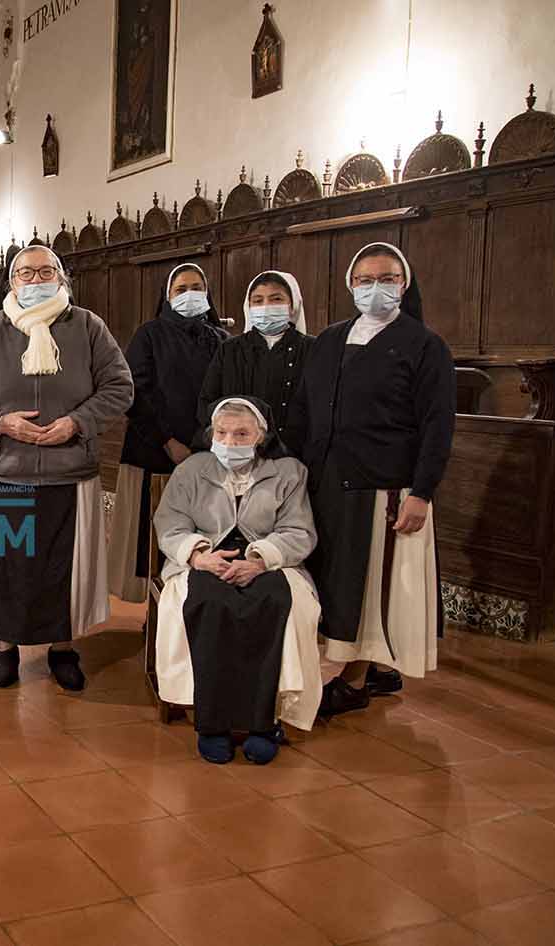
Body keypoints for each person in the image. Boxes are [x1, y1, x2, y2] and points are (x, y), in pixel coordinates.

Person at [0, 245, 133, 690]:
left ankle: (62, 648)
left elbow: (119, 385)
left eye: (46, 271)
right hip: (7, 471)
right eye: (26, 273)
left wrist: (77, 422)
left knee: (61, 570)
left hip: (70, 473)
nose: (36, 280)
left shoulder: (87, 326)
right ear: (11, 282)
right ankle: (5, 647)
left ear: (62, 279)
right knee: (9, 566)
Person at [290, 241, 454, 715]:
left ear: (403, 284)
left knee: (369, 593)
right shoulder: (330, 339)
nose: (374, 288)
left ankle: (355, 680)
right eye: (364, 279)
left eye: (386, 278)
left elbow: (438, 425)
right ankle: (330, 669)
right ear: (350, 285)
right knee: (333, 584)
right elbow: (304, 411)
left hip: (384, 488)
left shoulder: (424, 346)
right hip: (325, 484)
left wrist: (422, 492)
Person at [153, 397, 322, 764]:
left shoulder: (289, 472)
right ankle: (213, 724)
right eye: (222, 432)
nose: (229, 442)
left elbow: (298, 530)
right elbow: (169, 524)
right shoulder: (191, 469)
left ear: (260, 436)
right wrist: (198, 555)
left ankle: (264, 723)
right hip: (205, 559)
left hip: (267, 562)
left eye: (241, 433)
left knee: (276, 604)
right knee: (208, 604)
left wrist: (261, 559)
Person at [107, 262, 229, 604]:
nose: (189, 295)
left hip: (207, 456)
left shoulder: (220, 339)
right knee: (150, 539)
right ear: (167, 294)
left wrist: (206, 442)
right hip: (154, 452)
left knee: (201, 537)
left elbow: (227, 396)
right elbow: (135, 392)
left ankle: (192, 605)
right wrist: (168, 440)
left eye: (196, 288)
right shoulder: (149, 334)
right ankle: (156, 612)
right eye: (181, 289)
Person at [198, 270, 314, 445]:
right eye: (258, 301)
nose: (266, 306)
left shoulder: (313, 348)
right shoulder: (230, 349)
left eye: (276, 299)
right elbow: (208, 401)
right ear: (248, 306)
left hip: (295, 451)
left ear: (292, 305)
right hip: (236, 449)